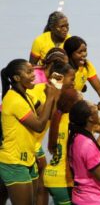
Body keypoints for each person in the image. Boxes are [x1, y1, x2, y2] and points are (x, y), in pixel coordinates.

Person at [0, 59, 56, 205]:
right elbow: (39, 125)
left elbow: (48, 114)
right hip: (14, 162)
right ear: (17, 78)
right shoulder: (14, 100)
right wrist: (50, 97)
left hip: (28, 159)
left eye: (33, 71)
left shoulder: (28, 97)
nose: (34, 75)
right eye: (29, 72)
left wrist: (57, 90)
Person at [28, 62, 75, 205]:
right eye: (71, 79)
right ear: (58, 77)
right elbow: (44, 117)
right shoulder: (38, 92)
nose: (74, 83)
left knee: (41, 186)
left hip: (35, 144)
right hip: (23, 145)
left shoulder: (59, 94)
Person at [43, 88, 81, 205]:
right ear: (73, 105)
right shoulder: (73, 124)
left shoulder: (58, 117)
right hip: (62, 179)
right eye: (81, 103)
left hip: (51, 174)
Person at [63, 36, 100, 116]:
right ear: (70, 54)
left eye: (85, 51)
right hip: (62, 110)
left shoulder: (87, 66)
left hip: (74, 111)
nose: (84, 54)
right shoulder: (63, 69)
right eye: (79, 52)